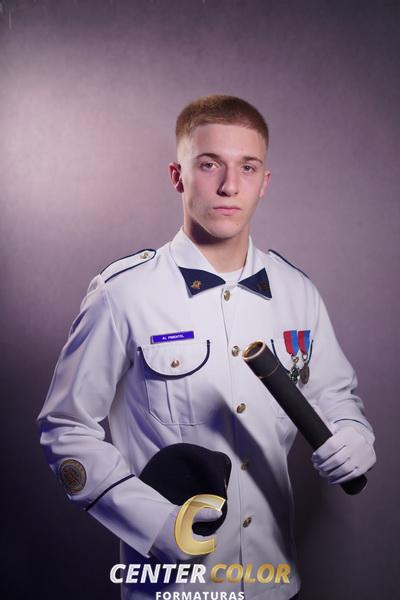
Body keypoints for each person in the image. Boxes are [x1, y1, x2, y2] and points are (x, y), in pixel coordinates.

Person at [37, 95, 376, 600]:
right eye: (210, 164)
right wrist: (156, 525)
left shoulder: (297, 292)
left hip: (274, 585)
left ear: (265, 182)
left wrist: (354, 432)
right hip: (172, 589)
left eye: (248, 167)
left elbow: (333, 395)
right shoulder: (123, 294)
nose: (229, 185)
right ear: (178, 176)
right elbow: (65, 428)